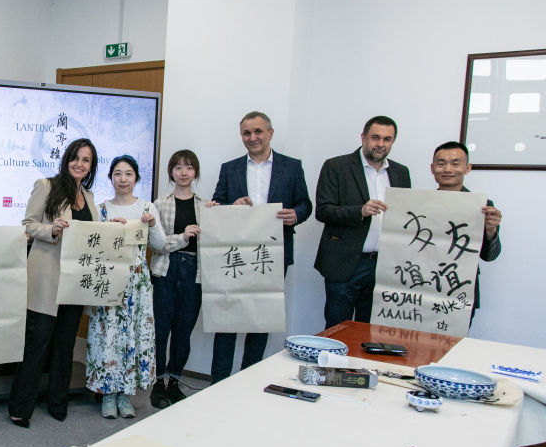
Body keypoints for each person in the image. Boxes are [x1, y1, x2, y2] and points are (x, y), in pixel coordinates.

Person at [209, 112, 312, 383]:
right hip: (235, 256)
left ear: (270, 133)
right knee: (227, 320)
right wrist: (231, 207)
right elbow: (216, 206)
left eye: (258, 131)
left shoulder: (291, 167)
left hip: (273, 256)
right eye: (246, 133)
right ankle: (218, 382)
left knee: (260, 320)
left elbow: (305, 204)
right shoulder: (229, 168)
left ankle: (248, 381)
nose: (252, 138)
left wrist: (296, 214)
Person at [8, 138, 99, 427]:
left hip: (75, 281)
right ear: (66, 158)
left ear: (91, 166)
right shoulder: (46, 185)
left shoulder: (89, 196)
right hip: (46, 278)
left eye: (86, 160)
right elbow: (28, 224)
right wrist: (52, 229)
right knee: (37, 343)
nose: (79, 164)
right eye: (75, 157)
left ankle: (58, 403)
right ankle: (20, 407)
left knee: (65, 345)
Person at [314, 115, 411, 329]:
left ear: (393, 142)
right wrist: (360, 211)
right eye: (375, 137)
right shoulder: (336, 166)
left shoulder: (401, 172)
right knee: (337, 329)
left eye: (387, 139)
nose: (380, 144)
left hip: (383, 266)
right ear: (363, 137)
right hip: (345, 263)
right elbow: (323, 211)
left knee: (370, 331)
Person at [85, 155, 164, 418]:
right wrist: (107, 230)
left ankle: (125, 395)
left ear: (136, 178)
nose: (123, 179)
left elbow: (160, 245)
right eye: (117, 173)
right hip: (109, 281)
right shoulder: (101, 209)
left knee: (134, 336)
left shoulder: (147, 208)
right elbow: (92, 246)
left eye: (128, 174)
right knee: (108, 337)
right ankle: (108, 394)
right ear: (111, 178)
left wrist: (153, 225)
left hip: (138, 284)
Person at [149, 149, 206, 409]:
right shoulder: (159, 204)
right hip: (165, 271)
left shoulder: (205, 206)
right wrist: (183, 237)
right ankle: (158, 384)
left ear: (196, 172)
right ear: (171, 172)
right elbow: (156, 244)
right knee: (160, 331)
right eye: (178, 167)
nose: (184, 172)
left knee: (183, 332)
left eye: (189, 167)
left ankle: (174, 381)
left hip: (194, 272)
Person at [430, 141, 502, 319]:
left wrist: (491, 231)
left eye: (455, 163)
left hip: (460, 289)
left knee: (454, 337)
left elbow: (490, 256)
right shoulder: (417, 204)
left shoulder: (483, 206)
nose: (448, 169)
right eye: (441, 163)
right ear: (432, 168)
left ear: (467, 168)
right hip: (420, 287)